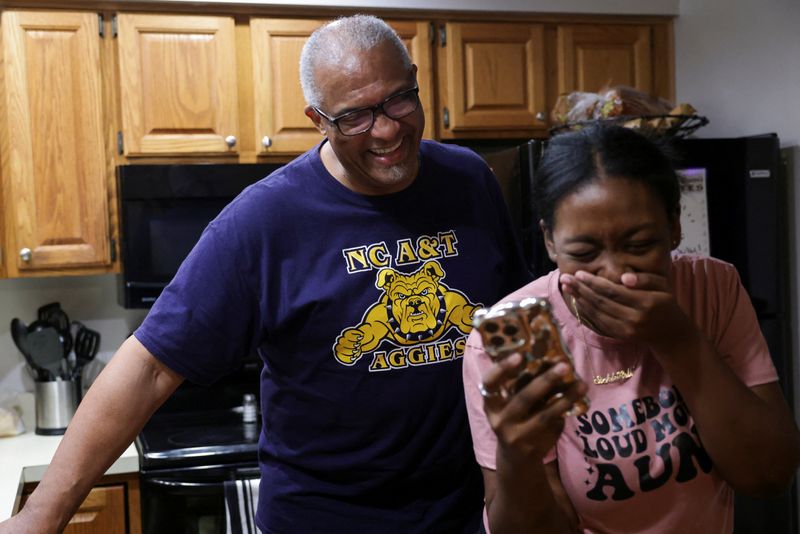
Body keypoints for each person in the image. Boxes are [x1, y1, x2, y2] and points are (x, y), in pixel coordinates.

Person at [1, 14, 532, 534]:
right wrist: (41, 515)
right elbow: (148, 368)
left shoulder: (469, 181)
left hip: (467, 511)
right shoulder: (263, 222)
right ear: (317, 120)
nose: (388, 128)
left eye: (399, 98)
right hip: (326, 518)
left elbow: (515, 322)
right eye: (355, 116)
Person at [462, 124, 800, 533]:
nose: (616, 275)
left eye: (640, 246)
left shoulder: (713, 288)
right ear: (550, 242)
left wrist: (675, 337)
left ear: (675, 225)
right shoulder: (517, 337)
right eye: (584, 254)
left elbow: (768, 476)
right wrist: (518, 458)